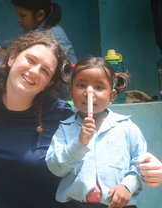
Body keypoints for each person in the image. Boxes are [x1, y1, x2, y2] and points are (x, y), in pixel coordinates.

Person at [0, 30, 75, 208]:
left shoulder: (58, 113)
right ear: (12, 58)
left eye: (45, 71)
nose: (34, 71)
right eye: (31, 60)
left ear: (48, 83)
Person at [45, 57, 147, 208]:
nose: (89, 92)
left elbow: (142, 163)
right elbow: (55, 168)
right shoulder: (65, 129)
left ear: (111, 95)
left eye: (99, 87)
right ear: (71, 92)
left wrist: (127, 186)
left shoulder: (126, 127)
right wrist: (79, 144)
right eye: (81, 85)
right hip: (76, 205)